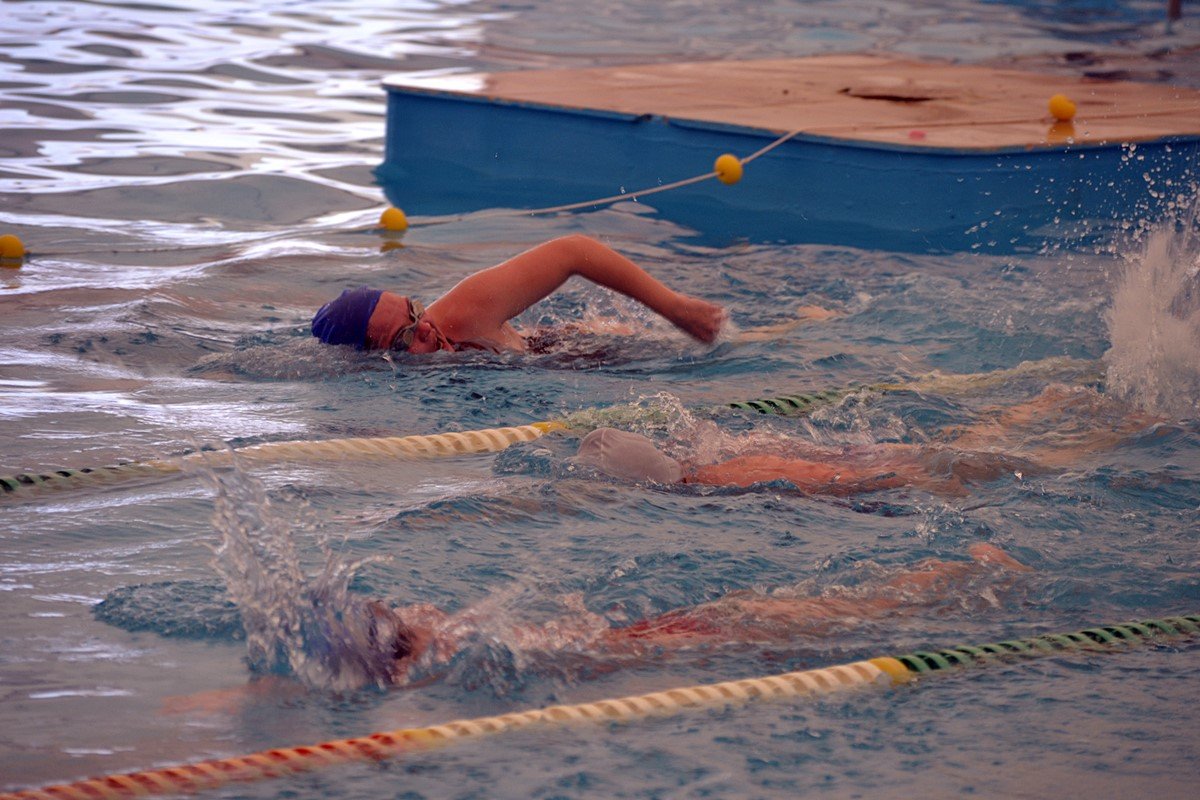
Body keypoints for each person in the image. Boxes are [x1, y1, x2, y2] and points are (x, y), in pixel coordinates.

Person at [311, 234, 727, 354]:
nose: (425, 328)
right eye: (405, 337)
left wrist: (674, 308)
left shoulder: (462, 314)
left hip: (564, 349)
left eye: (414, 311)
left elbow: (573, 251)